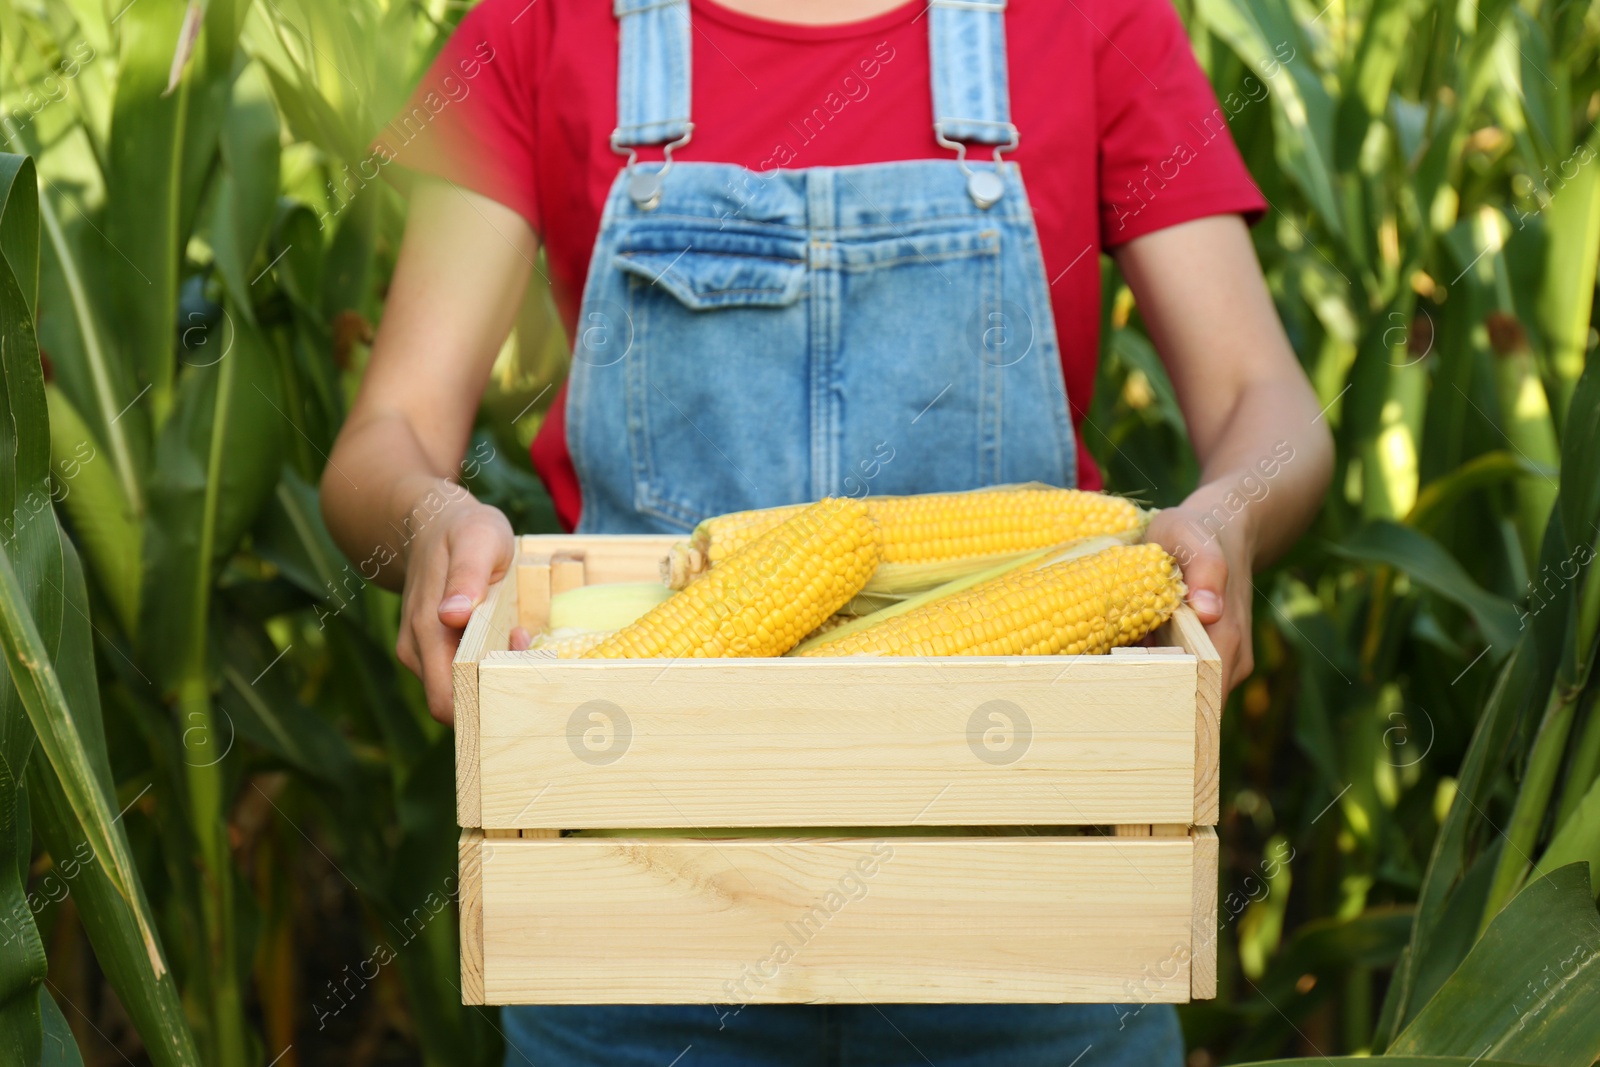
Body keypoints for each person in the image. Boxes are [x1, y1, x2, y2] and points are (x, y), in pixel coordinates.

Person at [321, 0, 1334, 1063]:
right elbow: (386, 434)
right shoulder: (540, 26)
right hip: (641, 918)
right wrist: (428, 514)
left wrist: (1230, 514)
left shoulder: (1090, 20)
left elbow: (1262, 399)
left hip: (1030, 909)